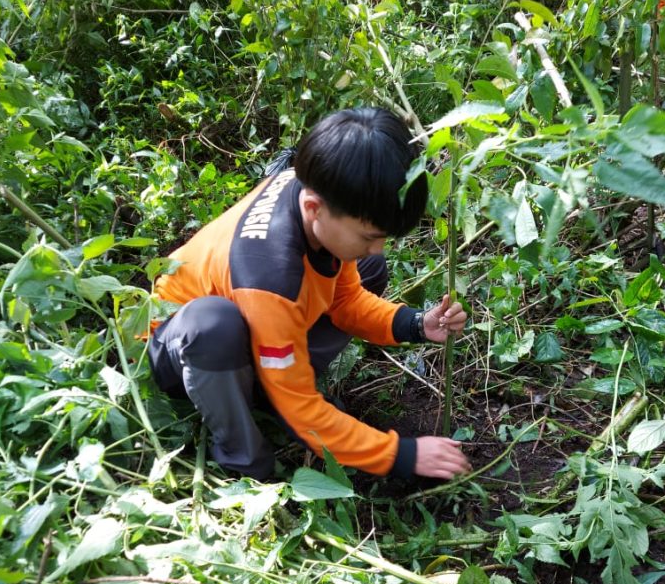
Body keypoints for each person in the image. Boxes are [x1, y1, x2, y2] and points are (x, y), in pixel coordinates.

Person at [148, 107, 470, 482]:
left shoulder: (316, 190)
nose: (378, 247)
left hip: (255, 319)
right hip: (182, 347)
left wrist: (414, 323)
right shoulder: (270, 275)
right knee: (214, 327)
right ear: (314, 208)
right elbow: (301, 410)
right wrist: (400, 454)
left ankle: (273, 385)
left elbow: (345, 298)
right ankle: (244, 460)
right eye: (370, 236)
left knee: (369, 270)